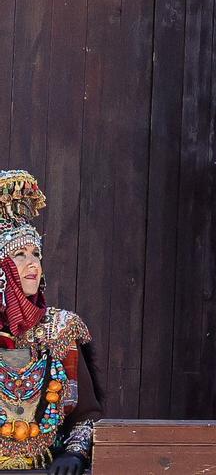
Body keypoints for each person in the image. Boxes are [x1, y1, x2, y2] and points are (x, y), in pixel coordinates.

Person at [0, 172, 100, 474]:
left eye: (36, 254)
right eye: (19, 254)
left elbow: (85, 415)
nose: (33, 264)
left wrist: (75, 453)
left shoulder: (61, 329)